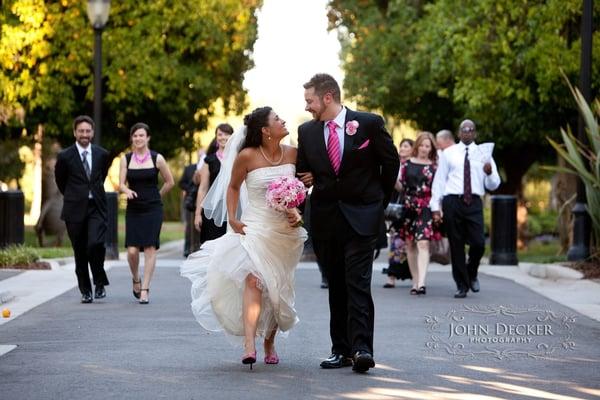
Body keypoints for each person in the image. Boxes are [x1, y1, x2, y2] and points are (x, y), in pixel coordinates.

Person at [181, 107, 307, 370]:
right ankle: (249, 343)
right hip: (254, 227)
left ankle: (269, 342)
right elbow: (233, 187)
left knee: (277, 288)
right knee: (254, 279)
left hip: (284, 232)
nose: (283, 121)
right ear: (265, 130)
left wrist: (297, 209)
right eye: (277, 119)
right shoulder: (247, 156)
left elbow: (305, 183)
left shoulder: (294, 154)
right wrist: (233, 218)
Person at [296, 73, 399, 373]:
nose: (307, 107)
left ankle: (362, 349)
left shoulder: (368, 123)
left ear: (328, 97)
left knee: (358, 283)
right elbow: (302, 172)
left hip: (363, 217)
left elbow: (390, 162)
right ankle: (340, 350)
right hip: (327, 218)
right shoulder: (307, 132)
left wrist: (377, 201)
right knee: (336, 286)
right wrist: (308, 179)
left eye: (310, 101)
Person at [430, 119, 501, 298]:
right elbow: (439, 181)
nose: (467, 133)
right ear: (459, 133)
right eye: (464, 130)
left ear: (475, 133)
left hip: (474, 202)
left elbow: (493, 185)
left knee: (478, 243)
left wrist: (489, 172)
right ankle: (462, 285)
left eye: (471, 130)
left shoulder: (484, 154)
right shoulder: (449, 153)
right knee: (457, 245)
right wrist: (435, 207)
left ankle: (472, 273)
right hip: (452, 201)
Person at [54, 115, 111, 303]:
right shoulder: (64, 156)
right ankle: (85, 290)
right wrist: (74, 195)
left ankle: (100, 281)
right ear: (75, 133)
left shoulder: (102, 154)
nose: (84, 134)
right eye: (81, 131)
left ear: (92, 132)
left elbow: (101, 176)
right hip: (74, 209)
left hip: (96, 207)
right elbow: (60, 181)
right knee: (80, 251)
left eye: (88, 131)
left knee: (95, 244)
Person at [119, 123, 174, 304]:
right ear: (132, 138)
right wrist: (127, 191)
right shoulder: (125, 159)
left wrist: (157, 196)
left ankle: (145, 289)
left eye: (141, 135)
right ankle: (136, 278)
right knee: (132, 251)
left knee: (150, 247)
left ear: (148, 137)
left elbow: (169, 182)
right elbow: (121, 184)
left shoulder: (157, 158)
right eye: (135, 136)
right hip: (134, 208)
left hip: (153, 208)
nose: (138, 139)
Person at [396, 132, 441, 295]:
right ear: (417, 146)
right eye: (421, 145)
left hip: (426, 207)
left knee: (423, 243)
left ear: (431, 148)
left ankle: (422, 282)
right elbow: (401, 187)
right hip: (409, 206)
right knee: (410, 244)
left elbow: (438, 189)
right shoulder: (406, 165)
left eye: (427, 146)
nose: (424, 148)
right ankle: (415, 281)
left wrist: (438, 208)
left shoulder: (435, 167)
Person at [193, 123, 234, 244]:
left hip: (232, 209)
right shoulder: (209, 160)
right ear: (216, 137)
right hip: (211, 210)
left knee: (230, 247)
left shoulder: (238, 159)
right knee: (211, 245)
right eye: (220, 134)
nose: (223, 137)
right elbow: (203, 188)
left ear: (232, 137)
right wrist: (197, 214)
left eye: (227, 134)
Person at [383, 138, 414, 288]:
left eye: (406, 146)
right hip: (397, 203)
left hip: (412, 204)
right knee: (396, 241)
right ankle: (392, 275)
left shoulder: (414, 165)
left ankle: (415, 275)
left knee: (411, 242)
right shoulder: (396, 163)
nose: (402, 148)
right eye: (401, 146)